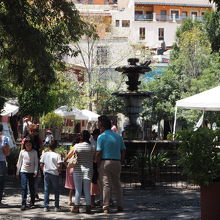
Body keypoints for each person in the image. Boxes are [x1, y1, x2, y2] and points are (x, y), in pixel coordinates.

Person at [95, 115, 126, 214]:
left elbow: (99, 152)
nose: (97, 124)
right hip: (117, 162)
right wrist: (121, 160)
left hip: (105, 162)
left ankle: (106, 206)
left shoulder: (101, 136)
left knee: (106, 185)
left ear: (102, 124)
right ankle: (120, 205)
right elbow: (123, 150)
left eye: (98, 122)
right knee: (117, 184)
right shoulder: (118, 136)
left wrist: (97, 163)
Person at [65, 130, 94, 214]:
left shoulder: (76, 146)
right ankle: (88, 207)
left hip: (77, 170)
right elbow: (94, 158)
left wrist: (66, 164)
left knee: (78, 190)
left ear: (81, 137)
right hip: (89, 170)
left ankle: (76, 207)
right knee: (87, 190)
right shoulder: (92, 146)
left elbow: (67, 157)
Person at [16, 137, 38, 211]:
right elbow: (19, 162)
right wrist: (17, 172)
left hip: (31, 172)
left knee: (31, 187)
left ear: (32, 145)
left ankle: (32, 201)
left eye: (29, 145)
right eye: (27, 145)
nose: (28, 146)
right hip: (23, 171)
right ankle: (23, 203)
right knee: (24, 187)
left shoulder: (34, 152)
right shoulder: (22, 152)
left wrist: (35, 171)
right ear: (24, 145)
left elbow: (36, 163)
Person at [40, 140, 62, 212]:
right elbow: (59, 165)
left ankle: (46, 206)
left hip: (47, 173)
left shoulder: (45, 154)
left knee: (46, 190)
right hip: (55, 173)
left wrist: (43, 170)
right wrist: (59, 170)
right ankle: (56, 206)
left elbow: (41, 164)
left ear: (48, 146)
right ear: (56, 147)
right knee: (56, 190)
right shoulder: (57, 155)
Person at [90, 129, 100, 207]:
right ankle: (92, 201)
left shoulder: (99, 140)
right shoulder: (90, 141)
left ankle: (100, 199)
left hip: (98, 163)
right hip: (92, 163)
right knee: (93, 182)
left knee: (98, 182)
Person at [0, 124, 10, 205]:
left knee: (1, 182)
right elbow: (7, 153)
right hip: (2, 163)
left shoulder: (4, 139)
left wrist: (4, 148)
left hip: (2, 162)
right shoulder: (4, 139)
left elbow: (7, 153)